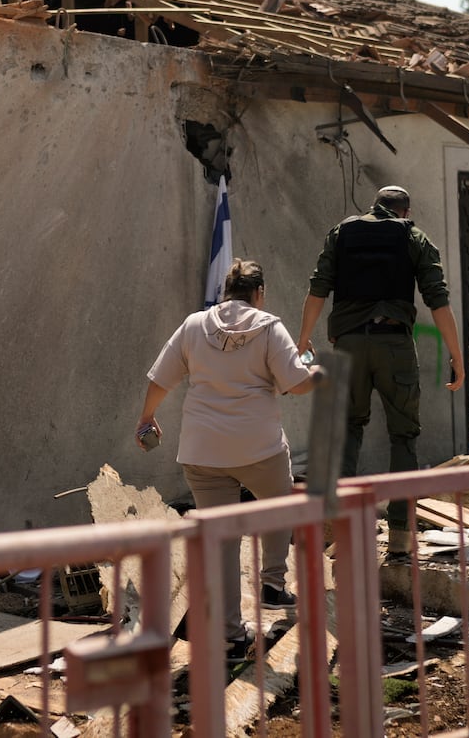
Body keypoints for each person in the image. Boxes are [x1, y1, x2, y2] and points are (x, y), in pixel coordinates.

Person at [136, 258, 320, 650]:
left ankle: (231, 636)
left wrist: (147, 418)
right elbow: (298, 384)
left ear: (225, 295)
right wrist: (315, 368)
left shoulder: (193, 325)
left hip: (202, 451)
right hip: (259, 448)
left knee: (221, 540)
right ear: (259, 294)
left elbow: (160, 378)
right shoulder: (270, 327)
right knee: (278, 504)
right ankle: (272, 582)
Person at [296, 185, 464, 557]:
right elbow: (438, 299)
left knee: (348, 430)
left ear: (375, 206)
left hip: (350, 346)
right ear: (405, 212)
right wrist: (456, 356)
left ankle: (343, 531)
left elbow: (317, 289)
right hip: (394, 344)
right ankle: (402, 537)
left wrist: (304, 339)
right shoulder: (414, 236)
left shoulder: (342, 233)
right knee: (403, 436)